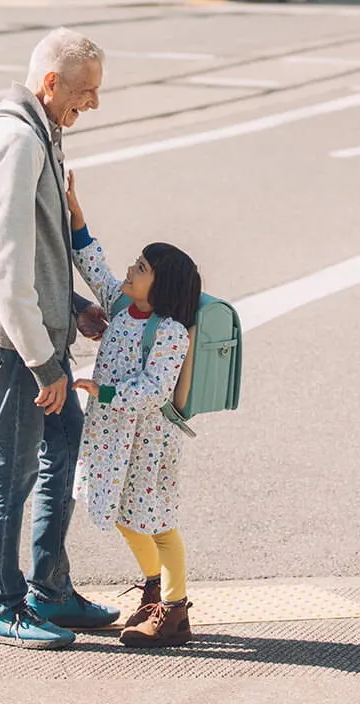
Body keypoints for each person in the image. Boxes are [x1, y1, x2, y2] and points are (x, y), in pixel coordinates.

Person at [0, 28, 119, 649]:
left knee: (62, 451)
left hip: (44, 330)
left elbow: (40, 248)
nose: (94, 105)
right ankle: (1, 603)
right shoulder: (17, 141)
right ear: (51, 83)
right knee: (13, 466)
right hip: (17, 342)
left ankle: (49, 588)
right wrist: (42, 364)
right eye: (86, 92)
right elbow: (3, 264)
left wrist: (74, 304)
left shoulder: (43, 133)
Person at [65, 170, 202, 648]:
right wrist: (78, 221)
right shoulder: (124, 307)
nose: (132, 268)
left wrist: (101, 392)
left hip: (149, 441)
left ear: (160, 286)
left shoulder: (170, 331)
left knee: (158, 523)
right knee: (123, 512)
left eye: (142, 267)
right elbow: (95, 268)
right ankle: (153, 587)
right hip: (114, 436)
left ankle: (175, 609)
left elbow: (152, 390)